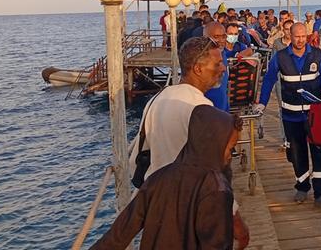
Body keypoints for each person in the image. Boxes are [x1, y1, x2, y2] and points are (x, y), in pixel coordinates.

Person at [128, 37, 248, 241]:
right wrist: (236, 223)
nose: (223, 69)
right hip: (191, 211)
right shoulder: (201, 110)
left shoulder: (157, 100)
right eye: (217, 64)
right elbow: (214, 172)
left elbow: (136, 157)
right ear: (198, 68)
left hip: (158, 208)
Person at [90, 107, 248, 250]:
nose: (230, 156)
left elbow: (120, 232)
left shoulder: (157, 178)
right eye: (229, 148)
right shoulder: (217, 190)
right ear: (214, 145)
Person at [254, 23, 321, 208]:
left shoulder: (317, 55)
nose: (299, 40)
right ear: (289, 36)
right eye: (296, 36)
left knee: (320, 152)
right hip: (291, 116)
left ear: (307, 35)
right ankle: (302, 186)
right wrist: (262, 103)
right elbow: (268, 80)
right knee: (297, 154)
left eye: (302, 36)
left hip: (315, 115)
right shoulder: (280, 57)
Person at [203, 22, 231, 112]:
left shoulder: (222, 53)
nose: (221, 40)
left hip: (223, 110)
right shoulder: (202, 59)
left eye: (223, 36)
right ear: (205, 38)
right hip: (208, 111)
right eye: (216, 37)